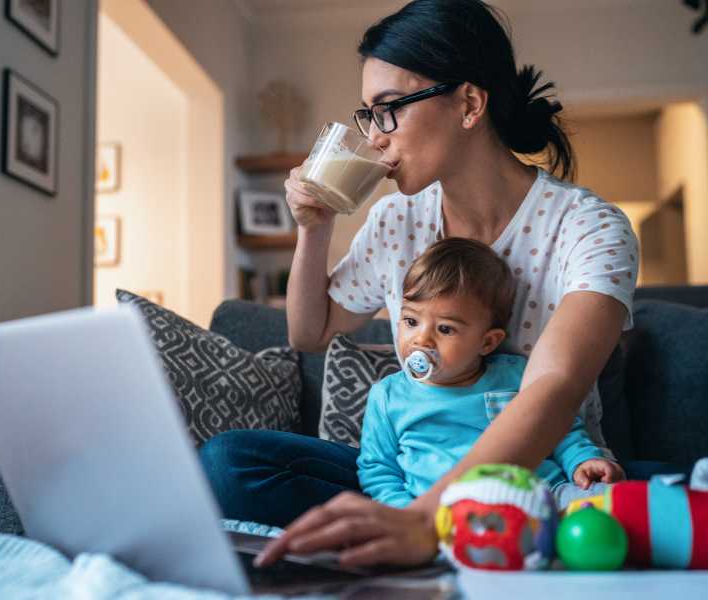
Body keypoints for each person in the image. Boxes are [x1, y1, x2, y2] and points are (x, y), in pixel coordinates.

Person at [200, 0, 680, 569]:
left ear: (470, 103)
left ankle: (437, 535)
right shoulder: (395, 221)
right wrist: (314, 228)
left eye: (389, 110)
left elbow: (551, 389)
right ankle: (420, 533)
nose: (376, 138)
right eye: (368, 115)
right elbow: (311, 332)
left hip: (544, 479)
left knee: (668, 503)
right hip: (412, 480)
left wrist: (428, 519)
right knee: (231, 462)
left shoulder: (589, 228)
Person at [356, 237, 624, 513]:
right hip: (444, 514)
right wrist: (405, 514)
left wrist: (582, 460)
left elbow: (559, 429)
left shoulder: (518, 375)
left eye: (445, 329)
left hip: (543, 496)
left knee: (611, 503)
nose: (421, 339)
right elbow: (378, 470)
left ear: (488, 342)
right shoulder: (388, 396)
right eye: (411, 322)